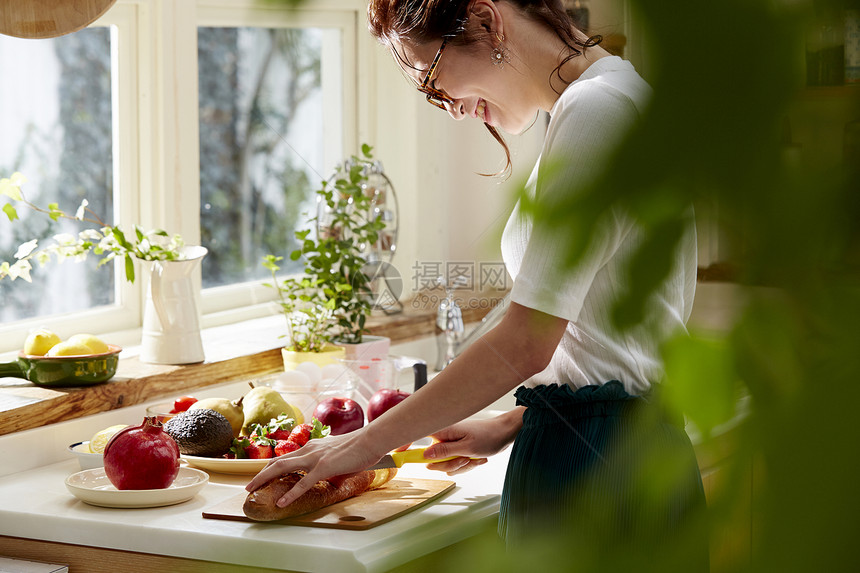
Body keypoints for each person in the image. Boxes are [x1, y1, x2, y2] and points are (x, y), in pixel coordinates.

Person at [248, 0, 708, 566]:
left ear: (487, 21)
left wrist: (363, 445)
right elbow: (621, 339)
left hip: (590, 472)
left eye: (435, 80)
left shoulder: (595, 113)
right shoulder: (621, 92)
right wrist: (515, 421)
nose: (451, 110)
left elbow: (524, 343)